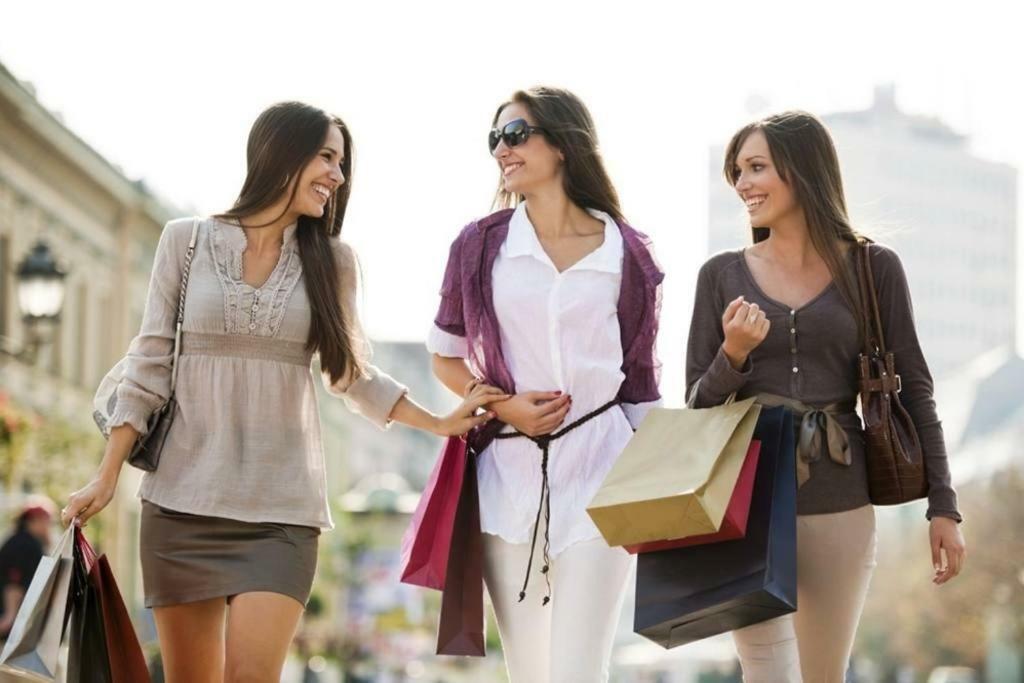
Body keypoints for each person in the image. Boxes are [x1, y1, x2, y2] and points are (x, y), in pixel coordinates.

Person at [60, 101, 505, 683]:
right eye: (326, 157)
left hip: (281, 514)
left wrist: (442, 422)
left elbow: (351, 374)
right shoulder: (185, 243)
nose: (337, 176)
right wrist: (107, 474)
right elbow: (149, 366)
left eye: (341, 163)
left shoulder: (333, 262)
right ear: (280, 154)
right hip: (181, 506)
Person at [686, 110, 966, 682]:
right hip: (748, 506)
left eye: (757, 167)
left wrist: (943, 505)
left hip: (843, 503)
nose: (743, 185)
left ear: (802, 170)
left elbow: (916, 390)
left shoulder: (872, 268)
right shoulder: (720, 275)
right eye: (736, 171)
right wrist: (732, 356)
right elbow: (695, 411)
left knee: (822, 675)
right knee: (765, 672)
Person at [429, 86, 663, 682]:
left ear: (562, 144)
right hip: (508, 480)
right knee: (532, 673)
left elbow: (640, 383)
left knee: (579, 670)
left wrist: (658, 483)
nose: (501, 150)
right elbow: (446, 359)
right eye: (494, 139)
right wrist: (507, 407)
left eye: (515, 134)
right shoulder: (479, 246)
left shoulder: (627, 252)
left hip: (604, 473)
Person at [0, 497, 55, 638]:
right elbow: (14, 581)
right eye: (47, 521)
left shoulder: (23, 540)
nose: (49, 526)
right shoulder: (24, 544)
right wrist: (9, 616)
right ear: (34, 520)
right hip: (13, 626)